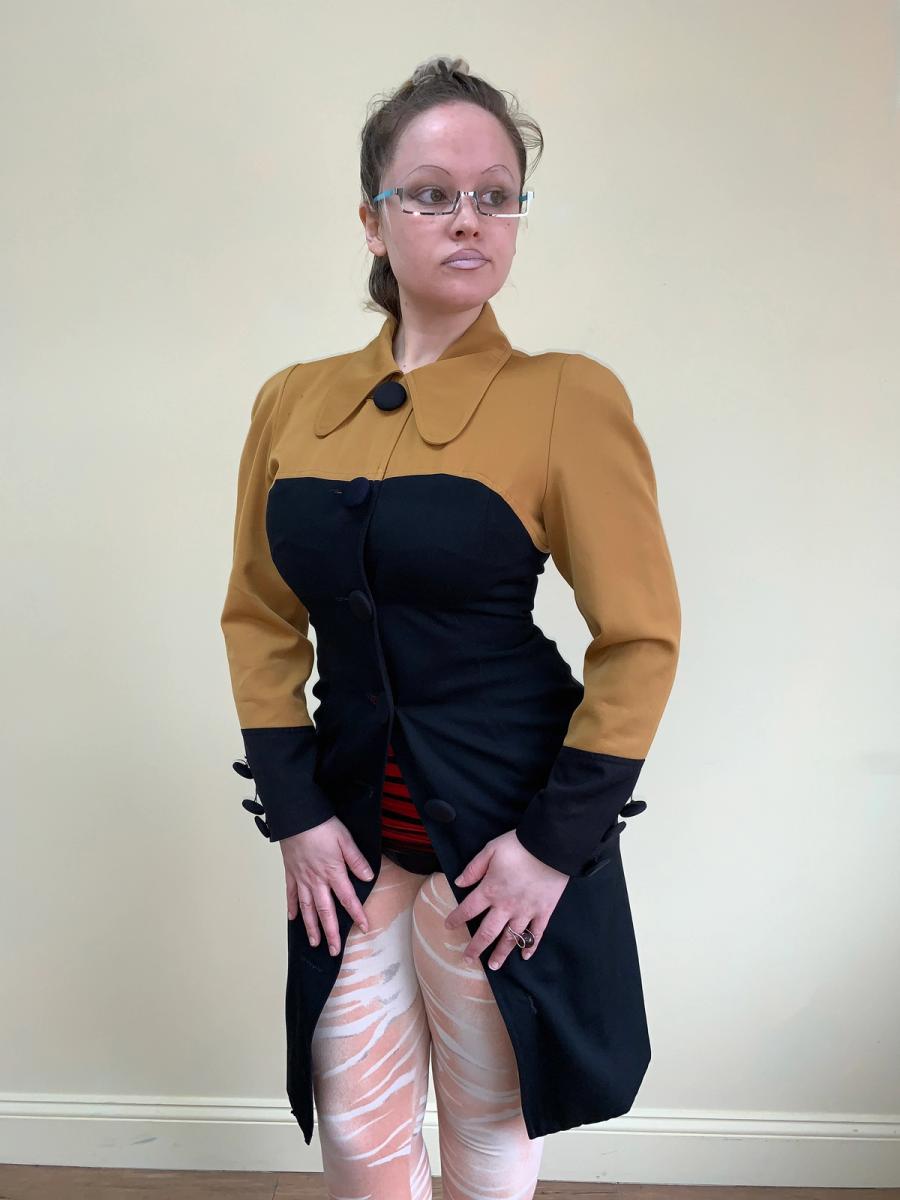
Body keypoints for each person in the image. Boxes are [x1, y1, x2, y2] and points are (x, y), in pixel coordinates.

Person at [220, 54, 681, 1200]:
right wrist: (295, 811)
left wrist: (554, 846)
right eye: (432, 193)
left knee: (489, 1134)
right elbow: (258, 614)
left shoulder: (568, 396)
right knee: (358, 1134)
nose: (469, 218)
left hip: (502, 841)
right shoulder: (290, 400)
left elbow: (640, 637)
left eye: (496, 194)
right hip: (348, 837)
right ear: (373, 219)